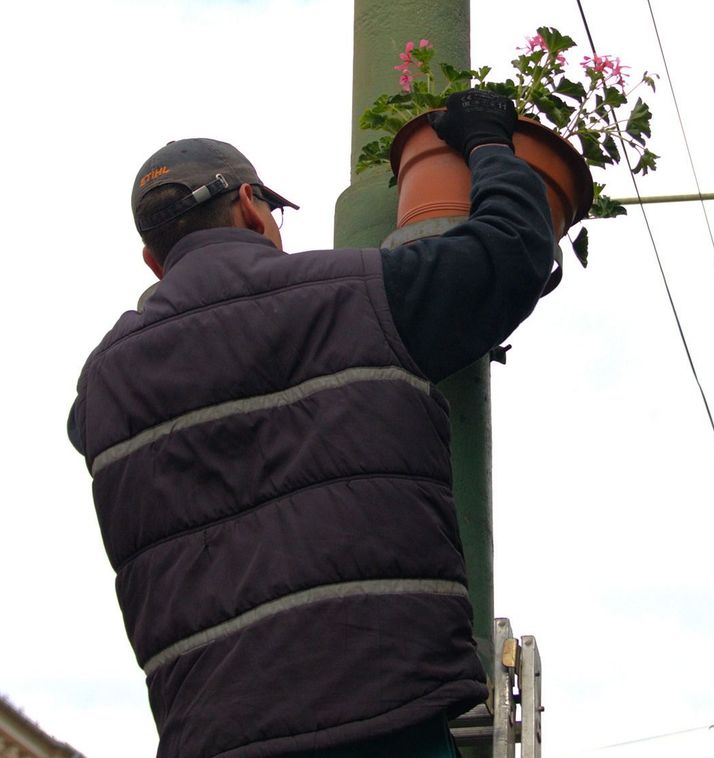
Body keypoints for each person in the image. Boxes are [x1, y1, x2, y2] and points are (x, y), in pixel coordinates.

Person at [68, 90, 554, 757]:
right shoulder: (360, 292)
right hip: (381, 709)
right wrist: (488, 142)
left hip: (210, 732)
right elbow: (511, 253)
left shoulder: (100, 386)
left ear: (153, 262)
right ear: (250, 207)